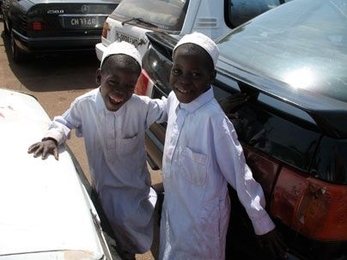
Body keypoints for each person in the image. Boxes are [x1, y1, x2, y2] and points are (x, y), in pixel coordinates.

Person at [28, 41, 167, 260]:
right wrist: (52, 138)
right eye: (113, 82)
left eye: (129, 86)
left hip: (135, 185)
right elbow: (64, 122)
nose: (120, 92)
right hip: (104, 186)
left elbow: (167, 107)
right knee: (113, 231)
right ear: (99, 76)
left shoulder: (141, 106)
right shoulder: (84, 104)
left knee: (134, 224)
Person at [159, 32, 288, 260]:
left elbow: (239, 173)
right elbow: (159, 107)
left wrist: (261, 221)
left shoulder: (215, 121)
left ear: (211, 78)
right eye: (177, 71)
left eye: (195, 74)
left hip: (201, 225)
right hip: (174, 210)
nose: (184, 80)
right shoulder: (174, 99)